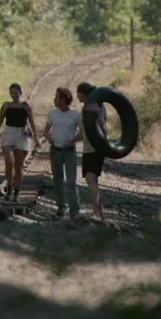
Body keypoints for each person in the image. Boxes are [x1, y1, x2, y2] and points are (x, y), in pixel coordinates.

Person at [0, 83, 36, 200]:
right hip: (8, 133)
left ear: (20, 93)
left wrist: (35, 138)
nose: (14, 95)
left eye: (16, 93)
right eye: (12, 93)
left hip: (21, 134)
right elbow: (0, 120)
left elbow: (32, 122)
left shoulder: (25, 106)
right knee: (9, 162)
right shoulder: (6, 105)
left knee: (19, 166)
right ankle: (9, 188)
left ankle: (16, 192)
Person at [43, 87, 82, 219]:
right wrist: (50, 139)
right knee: (57, 180)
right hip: (56, 150)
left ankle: (74, 211)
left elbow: (83, 132)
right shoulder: (52, 113)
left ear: (63, 99)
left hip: (70, 151)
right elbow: (45, 131)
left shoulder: (76, 114)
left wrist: (73, 140)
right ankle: (61, 207)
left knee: (71, 182)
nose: (54, 100)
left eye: (56, 97)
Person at [76, 81, 106, 221]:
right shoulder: (86, 108)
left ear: (83, 94)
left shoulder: (96, 107)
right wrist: (70, 140)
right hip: (87, 149)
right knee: (93, 182)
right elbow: (84, 132)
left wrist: (98, 112)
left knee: (91, 180)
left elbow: (104, 128)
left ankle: (96, 214)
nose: (77, 96)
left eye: (78, 93)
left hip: (95, 149)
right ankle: (99, 214)